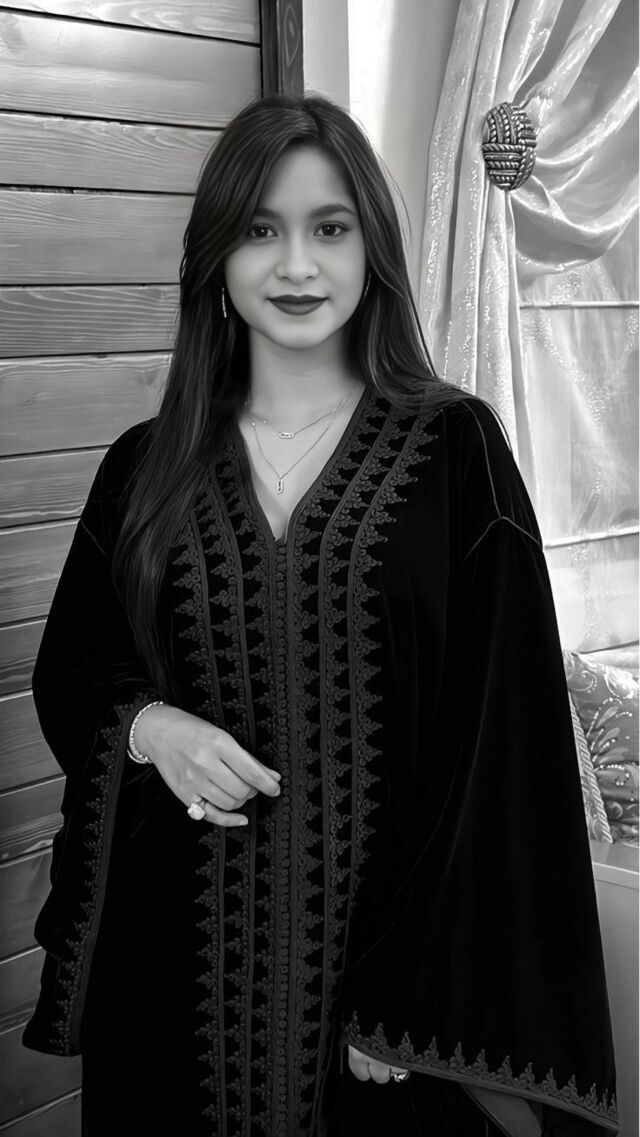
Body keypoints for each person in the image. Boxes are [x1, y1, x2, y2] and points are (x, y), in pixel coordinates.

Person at [22, 93, 618, 1137]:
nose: (296, 265)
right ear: (216, 258)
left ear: (370, 247)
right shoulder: (145, 467)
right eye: (261, 230)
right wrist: (150, 727)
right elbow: (75, 666)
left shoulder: (456, 454)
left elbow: (503, 740)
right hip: (171, 983)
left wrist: (416, 998)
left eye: (329, 228)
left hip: (387, 1007)